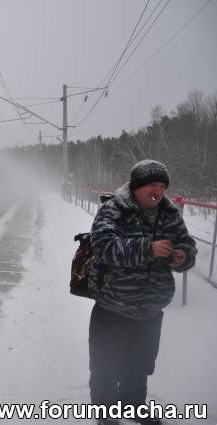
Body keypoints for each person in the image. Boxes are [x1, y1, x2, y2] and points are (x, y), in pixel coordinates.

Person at [87, 159, 197, 425]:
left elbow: (187, 244)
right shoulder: (114, 209)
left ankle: (133, 407)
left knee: (139, 366)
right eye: (152, 185)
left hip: (150, 311)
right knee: (106, 367)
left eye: (162, 186)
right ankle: (105, 414)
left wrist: (183, 256)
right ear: (137, 186)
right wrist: (148, 249)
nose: (158, 191)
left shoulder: (169, 213)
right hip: (112, 309)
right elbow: (103, 246)